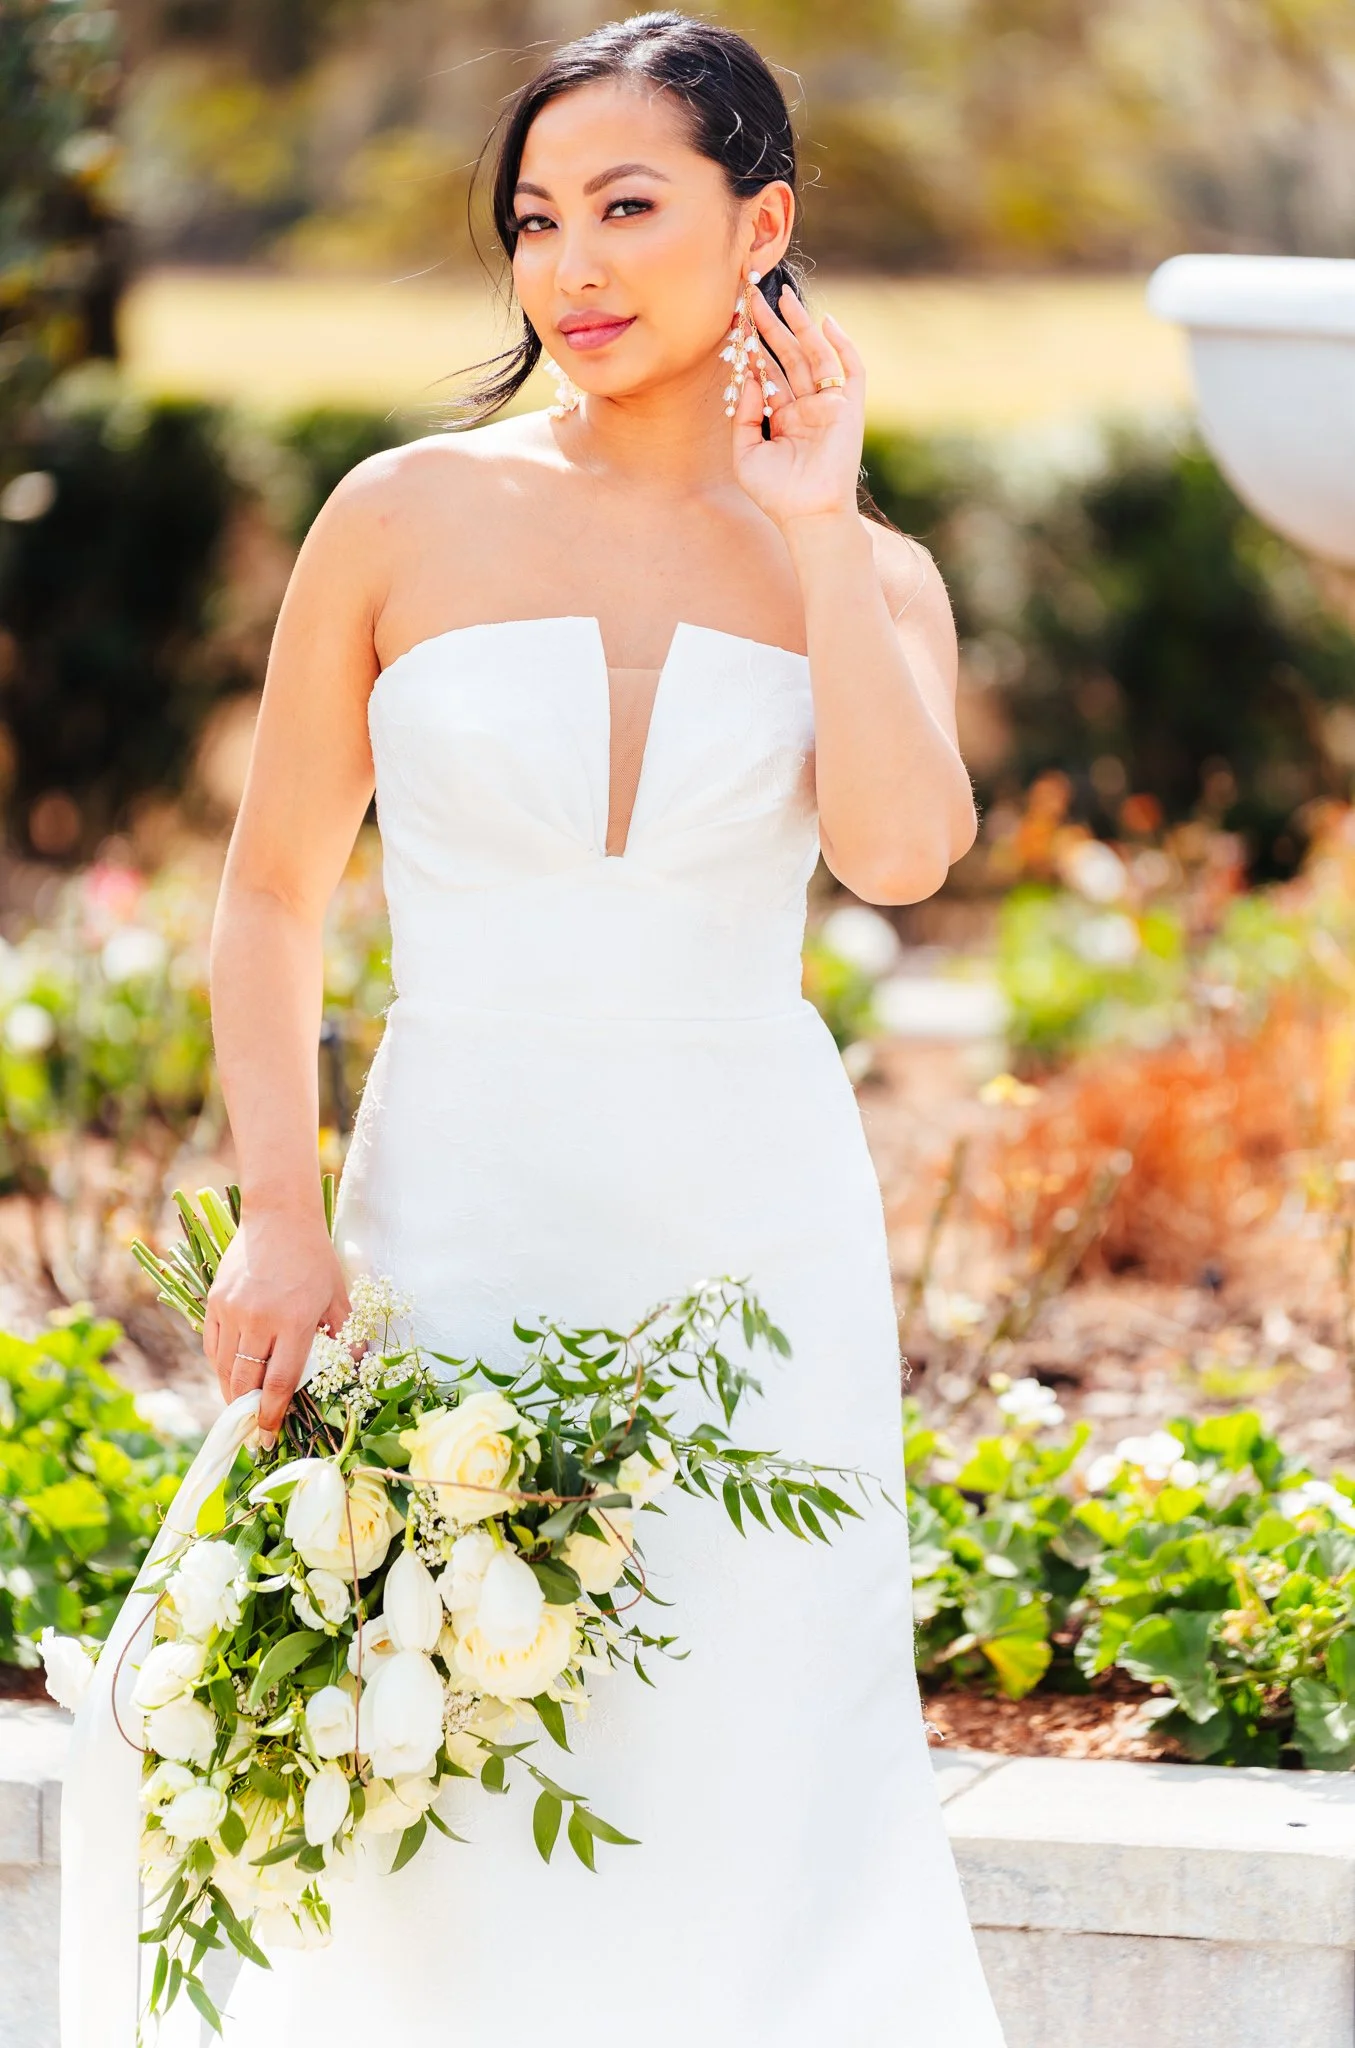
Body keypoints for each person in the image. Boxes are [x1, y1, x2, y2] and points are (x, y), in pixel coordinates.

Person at [199, 11, 1005, 2042]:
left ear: (762, 227)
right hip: (453, 1195)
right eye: (534, 217)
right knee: (435, 1723)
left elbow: (901, 861)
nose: (571, 263)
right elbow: (274, 892)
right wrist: (279, 1221)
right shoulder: (395, 515)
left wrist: (814, 527)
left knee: (747, 1726)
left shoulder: (867, 566)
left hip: (748, 1228)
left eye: (627, 207)